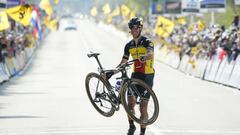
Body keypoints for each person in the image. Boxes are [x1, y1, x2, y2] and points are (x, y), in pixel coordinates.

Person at [119, 17, 155, 135]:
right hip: (135, 76)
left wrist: (145, 57)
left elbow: (150, 53)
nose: (134, 30)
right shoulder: (128, 45)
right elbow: (123, 62)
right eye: (132, 28)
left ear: (140, 28)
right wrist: (112, 72)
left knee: (143, 107)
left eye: (136, 28)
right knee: (130, 103)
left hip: (147, 76)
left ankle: (142, 133)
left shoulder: (147, 41)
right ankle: (131, 127)